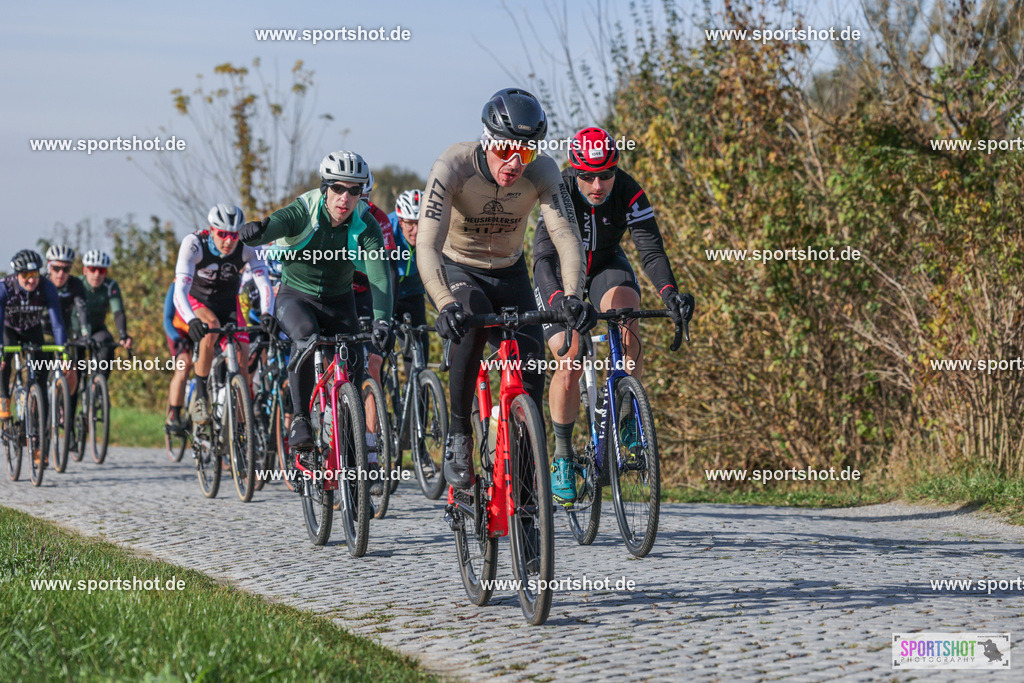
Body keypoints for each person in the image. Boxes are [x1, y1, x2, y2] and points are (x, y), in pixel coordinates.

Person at [416, 87, 595, 489]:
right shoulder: (453, 165)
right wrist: (445, 304)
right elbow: (425, 243)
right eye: (505, 151)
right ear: (487, 140)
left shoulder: (543, 171)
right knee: (471, 323)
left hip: (510, 273)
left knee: (531, 370)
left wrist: (571, 295)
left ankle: (527, 478)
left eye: (526, 153)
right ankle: (459, 436)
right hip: (459, 269)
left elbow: (566, 235)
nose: (515, 163)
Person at [533, 126, 695, 504]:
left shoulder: (628, 189)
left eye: (606, 174)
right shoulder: (560, 190)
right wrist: (559, 298)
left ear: (615, 170)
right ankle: (562, 455)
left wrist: (670, 293)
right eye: (587, 176)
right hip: (558, 271)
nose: (597, 185)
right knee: (570, 356)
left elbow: (651, 252)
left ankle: (625, 415)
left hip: (606, 264)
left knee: (627, 318)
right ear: (574, 171)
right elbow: (541, 256)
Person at [240, 150, 393, 462]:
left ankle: (350, 451)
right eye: (338, 188)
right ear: (326, 187)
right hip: (296, 297)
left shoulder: (365, 223)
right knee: (306, 337)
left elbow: (379, 275)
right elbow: (279, 223)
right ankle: (299, 419)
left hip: (340, 302)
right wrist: (258, 231)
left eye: (354, 190)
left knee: (353, 365)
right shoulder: (306, 209)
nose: (345, 198)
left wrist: (382, 321)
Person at [173, 204, 275, 426]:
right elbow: (179, 291)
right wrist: (191, 321)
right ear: (211, 230)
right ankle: (200, 394)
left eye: (234, 235)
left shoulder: (248, 246)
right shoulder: (194, 244)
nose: (229, 241)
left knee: (243, 355)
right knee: (210, 326)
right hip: (198, 300)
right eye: (222, 234)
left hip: (229, 302)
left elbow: (264, 283)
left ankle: (239, 431)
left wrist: (268, 313)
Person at [0, 250, 66, 422]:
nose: (31, 280)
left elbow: (57, 323)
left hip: (32, 328)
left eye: (35, 274)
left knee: (41, 373)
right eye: (25, 275)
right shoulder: (5, 287)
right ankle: (4, 399)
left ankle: (39, 430)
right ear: (16, 275)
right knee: (4, 360)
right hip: (8, 328)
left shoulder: (46, 287)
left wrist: (62, 350)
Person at [42, 244, 90, 421]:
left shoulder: (75, 284)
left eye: (66, 269)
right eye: (56, 268)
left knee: (71, 369)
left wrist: (85, 333)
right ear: (49, 266)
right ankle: (35, 411)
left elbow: (81, 310)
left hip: (65, 330)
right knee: (39, 374)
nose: (61, 273)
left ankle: (64, 403)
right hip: (43, 330)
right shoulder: (41, 283)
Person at [388, 189, 429, 365]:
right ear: (400, 220)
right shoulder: (388, 227)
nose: (416, 230)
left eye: (421, 223)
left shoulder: (434, 230)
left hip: (413, 291)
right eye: (410, 224)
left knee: (420, 347)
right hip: (388, 290)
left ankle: (417, 386)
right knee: (380, 350)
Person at [80, 250, 132, 378]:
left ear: (106, 273)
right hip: (77, 330)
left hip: (98, 329)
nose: (97, 274)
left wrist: (123, 335)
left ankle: (99, 385)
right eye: (93, 269)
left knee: (107, 344)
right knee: (76, 368)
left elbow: (118, 312)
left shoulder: (110, 286)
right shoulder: (77, 284)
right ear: (85, 270)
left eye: (101, 271)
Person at [162, 282, 192, 431]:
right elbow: (167, 319)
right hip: (179, 330)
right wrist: (176, 338)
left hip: (201, 329)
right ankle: (173, 414)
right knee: (184, 364)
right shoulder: (177, 283)